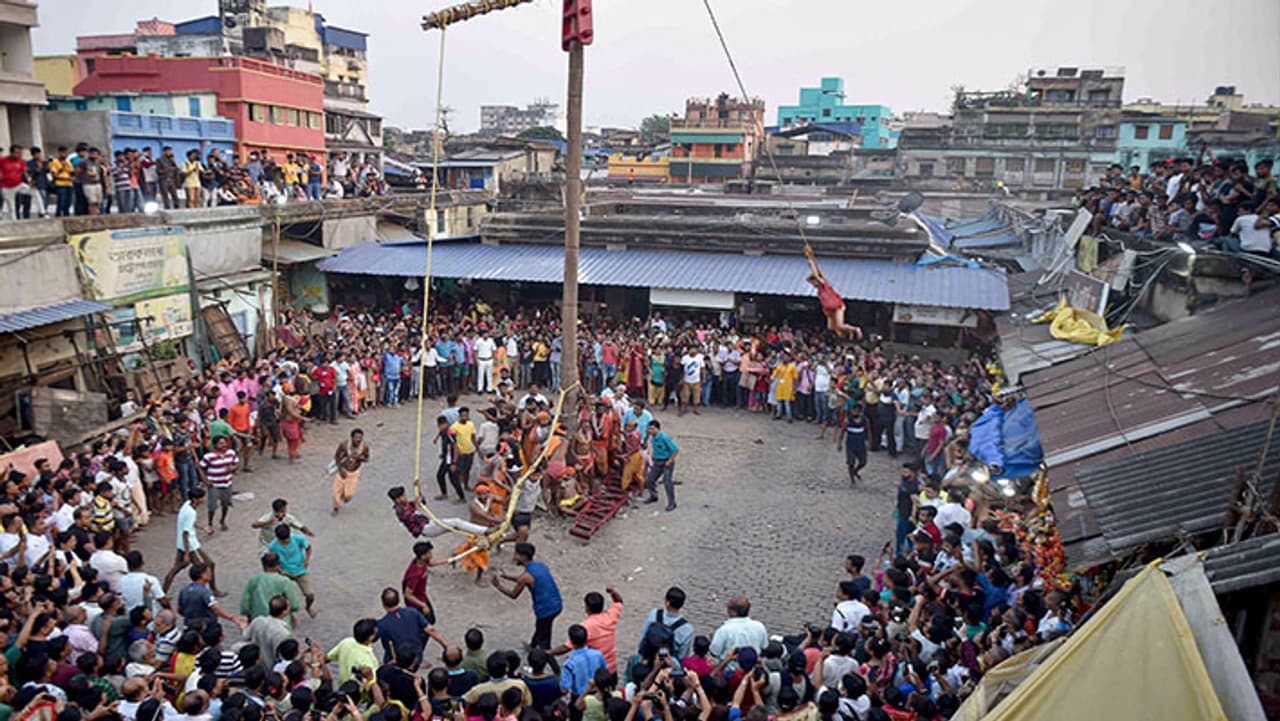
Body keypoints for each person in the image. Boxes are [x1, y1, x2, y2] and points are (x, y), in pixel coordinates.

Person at [491, 542, 562, 649]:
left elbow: (513, 595)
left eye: (516, 554)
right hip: (556, 604)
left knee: (544, 641)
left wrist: (498, 586)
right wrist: (506, 576)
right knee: (541, 628)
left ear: (523, 557)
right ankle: (532, 646)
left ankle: (547, 657)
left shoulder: (526, 576)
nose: (514, 557)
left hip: (545, 610)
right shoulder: (539, 566)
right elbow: (522, 579)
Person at [162, 488, 221, 596]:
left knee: (175, 569)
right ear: (195, 499)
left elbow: (189, 523)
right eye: (201, 498)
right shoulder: (191, 512)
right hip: (191, 546)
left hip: (181, 544)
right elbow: (186, 533)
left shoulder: (186, 505)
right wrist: (187, 553)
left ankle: (162, 593)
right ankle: (212, 590)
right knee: (207, 566)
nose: (203, 499)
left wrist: (202, 527)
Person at [550, 587, 623, 672]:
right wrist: (612, 592)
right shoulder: (610, 616)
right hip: (612, 666)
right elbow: (618, 602)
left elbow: (566, 647)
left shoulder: (586, 626)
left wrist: (548, 653)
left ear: (587, 607)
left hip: (595, 670)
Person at [376, 587, 446, 665]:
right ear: (398, 600)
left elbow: (370, 638)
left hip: (395, 661)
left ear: (383, 603)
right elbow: (431, 630)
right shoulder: (413, 612)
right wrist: (446, 646)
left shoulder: (382, 624)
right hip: (416, 658)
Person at [805, 253, 861, 338]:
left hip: (838, 307)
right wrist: (813, 264)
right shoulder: (819, 291)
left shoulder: (824, 285)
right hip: (830, 310)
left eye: (814, 282)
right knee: (830, 327)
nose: (813, 284)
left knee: (840, 325)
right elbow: (808, 279)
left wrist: (812, 265)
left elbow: (817, 275)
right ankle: (847, 331)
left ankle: (856, 329)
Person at [239, 551, 302, 625]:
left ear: (263, 565)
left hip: (258, 621)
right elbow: (294, 605)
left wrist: (247, 615)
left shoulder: (253, 580)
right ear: (278, 565)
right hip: (280, 622)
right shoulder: (284, 581)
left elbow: (245, 604)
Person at [267, 524, 316, 618]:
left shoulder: (298, 539)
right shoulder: (273, 546)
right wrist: (280, 571)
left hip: (301, 571)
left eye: (287, 539)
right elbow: (274, 561)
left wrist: (307, 560)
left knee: (310, 594)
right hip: (285, 573)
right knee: (282, 598)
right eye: (283, 541)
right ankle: (288, 614)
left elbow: (308, 548)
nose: (286, 542)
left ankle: (308, 607)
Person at [636, 586, 694, 660]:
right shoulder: (687, 629)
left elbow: (642, 638)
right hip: (668, 664)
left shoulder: (654, 614)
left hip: (646, 659)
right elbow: (683, 656)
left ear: (667, 603)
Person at [403, 541, 449, 624]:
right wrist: (423, 605)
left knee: (431, 620)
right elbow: (408, 594)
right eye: (429, 553)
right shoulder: (415, 575)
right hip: (416, 603)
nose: (431, 554)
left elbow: (431, 563)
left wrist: (448, 561)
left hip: (422, 596)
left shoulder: (420, 561)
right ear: (423, 556)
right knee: (425, 623)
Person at [198, 435, 238, 531]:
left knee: (225, 504)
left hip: (227, 483)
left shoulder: (231, 453)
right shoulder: (209, 456)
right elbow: (200, 467)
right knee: (212, 506)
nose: (224, 445)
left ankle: (222, 521)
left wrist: (233, 468)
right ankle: (210, 523)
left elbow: (236, 463)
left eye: (224, 443)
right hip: (214, 485)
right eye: (221, 443)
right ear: (215, 445)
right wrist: (205, 480)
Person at [709, 596, 768, 660]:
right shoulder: (759, 626)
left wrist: (713, 639)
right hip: (752, 664)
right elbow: (764, 646)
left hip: (729, 665)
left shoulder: (724, 630)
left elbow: (714, 652)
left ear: (733, 612)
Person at [559, 625, 607, 701]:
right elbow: (604, 671)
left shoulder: (569, 664)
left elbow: (565, 689)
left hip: (580, 698)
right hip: (598, 695)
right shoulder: (598, 654)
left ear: (571, 641)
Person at [332, 428, 370, 515]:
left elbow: (367, 458)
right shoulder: (344, 445)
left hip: (354, 472)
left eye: (360, 438)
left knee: (349, 495)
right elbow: (337, 456)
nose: (358, 440)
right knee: (335, 492)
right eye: (356, 437)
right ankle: (336, 507)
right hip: (343, 469)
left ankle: (344, 497)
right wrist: (340, 469)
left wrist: (359, 458)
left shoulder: (364, 447)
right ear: (352, 437)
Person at [643, 420, 679, 512]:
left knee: (667, 482)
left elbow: (675, 450)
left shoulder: (664, 437)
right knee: (650, 480)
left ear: (657, 429)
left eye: (652, 429)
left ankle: (672, 503)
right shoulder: (653, 437)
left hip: (666, 462)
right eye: (649, 429)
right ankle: (653, 496)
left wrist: (669, 460)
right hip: (657, 461)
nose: (650, 431)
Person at [844, 403, 868, 486]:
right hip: (850, 444)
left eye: (857, 410)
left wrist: (869, 442)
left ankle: (855, 471)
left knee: (863, 462)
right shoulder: (847, 420)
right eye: (854, 410)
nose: (855, 412)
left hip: (861, 444)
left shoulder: (865, 420)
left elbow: (868, 431)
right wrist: (839, 443)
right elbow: (842, 431)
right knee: (851, 462)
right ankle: (852, 479)